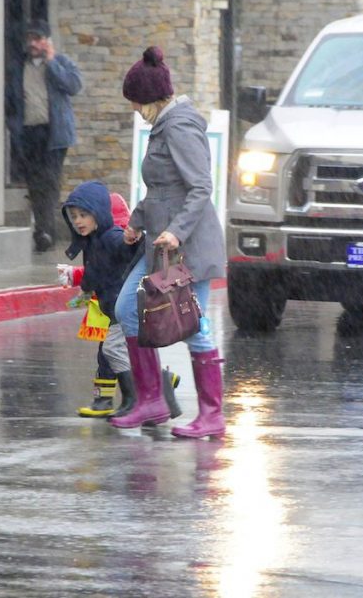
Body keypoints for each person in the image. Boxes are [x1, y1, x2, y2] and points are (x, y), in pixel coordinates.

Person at [110, 46, 228, 439]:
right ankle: (151, 401)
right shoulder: (162, 126)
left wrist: (176, 230)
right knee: (128, 308)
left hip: (186, 249)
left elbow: (200, 187)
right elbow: (160, 189)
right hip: (159, 249)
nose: (134, 110)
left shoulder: (179, 125)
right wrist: (136, 223)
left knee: (193, 326)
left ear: (152, 99)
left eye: (136, 103)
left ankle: (212, 414)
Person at [59, 181, 181, 419]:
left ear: (99, 214)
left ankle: (131, 399)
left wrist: (132, 240)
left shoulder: (111, 237)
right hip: (113, 310)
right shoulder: (92, 243)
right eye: (74, 217)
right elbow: (93, 271)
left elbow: (128, 250)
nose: (78, 221)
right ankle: (160, 381)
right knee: (122, 352)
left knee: (112, 349)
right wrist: (84, 290)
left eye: (84, 215)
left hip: (123, 310)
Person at [10, 20, 83, 253]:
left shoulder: (60, 63)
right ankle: (42, 228)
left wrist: (51, 61)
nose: (33, 43)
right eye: (30, 38)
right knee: (34, 183)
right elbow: (10, 100)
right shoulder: (19, 67)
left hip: (54, 133)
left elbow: (73, 85)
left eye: (38, 38)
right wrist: (13, 126)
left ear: (47, 41)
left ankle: (45, 231)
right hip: (29, 133)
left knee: (49, 181)